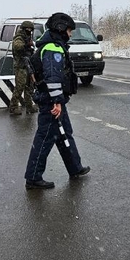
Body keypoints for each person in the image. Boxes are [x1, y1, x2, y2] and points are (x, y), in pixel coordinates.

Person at [23, 13, 90, 189]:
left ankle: (75, 168)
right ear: (61, 29)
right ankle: (33, 178)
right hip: (50, 101)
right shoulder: (53, 48)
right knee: (45, 138)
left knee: (64, 134)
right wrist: (57, 102)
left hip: (53, 99)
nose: (70, 34)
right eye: (69, 30)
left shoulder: (52, 45)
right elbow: (52, 78)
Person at [9, 20, 38, 116]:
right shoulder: (19, 37)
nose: (29, 31)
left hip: (28, 65)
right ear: (24, 29)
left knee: (29, 87)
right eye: (28, 29)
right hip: (21, 66)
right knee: (19, 87)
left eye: (31, 29)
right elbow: (17, 46)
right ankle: (13, 107)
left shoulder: (28, 37)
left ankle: (29, 106)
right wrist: (26, 45)